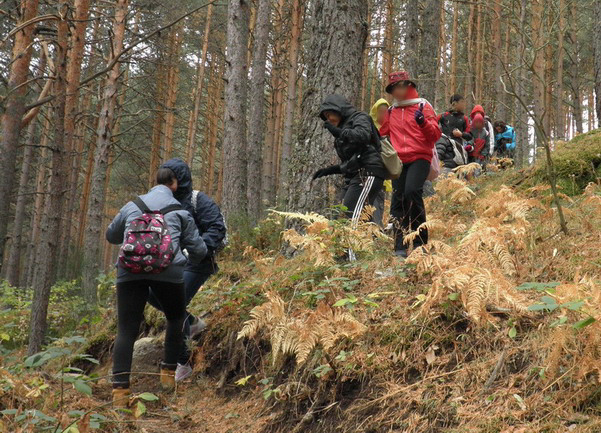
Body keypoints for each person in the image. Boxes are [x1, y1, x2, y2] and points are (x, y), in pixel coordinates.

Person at [106, 167, 207, 408]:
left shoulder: (132, 205)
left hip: (129, 272)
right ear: (173, 184)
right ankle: (167, 380)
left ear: (155, 182)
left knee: (126, 330)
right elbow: (200, 250)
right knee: (175, 318)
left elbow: (112, 236)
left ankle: (120, 393)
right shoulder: (180, 210)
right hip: (168, 272)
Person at [146, 158, 226, 382]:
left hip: (198, 262)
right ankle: (191, 323)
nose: (166, 186)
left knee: (174, 304)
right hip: (170, 262)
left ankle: (183, 362)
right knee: (151, 293)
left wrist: (197, 249)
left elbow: (216, 227)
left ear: (179, 180)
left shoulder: (198, 199)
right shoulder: (161, 202)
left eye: (170, 181)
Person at [380, 71, 441, 258]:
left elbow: (435, 135)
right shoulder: (392, 110)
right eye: (392, 89)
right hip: (399, 160)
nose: (396, 92)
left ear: (408, 86)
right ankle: (399, 246)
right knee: (397, 200)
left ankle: (420, 241)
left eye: (399, 86)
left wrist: (423, 123)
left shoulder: (423, 106)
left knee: (412, 192)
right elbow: (383, 132)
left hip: (420, 157)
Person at [313, 94, 386, 228]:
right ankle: (370, 247)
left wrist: (339, 132)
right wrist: (331, 170)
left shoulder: (360, 117)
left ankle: (348, 249)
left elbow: (363, 136)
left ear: (338, 109)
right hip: (356, 176)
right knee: (342, 217)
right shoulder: (343, 127)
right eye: (326, 116)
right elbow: (354, 160)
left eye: (330, 114)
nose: (328, 119)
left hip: (368, 173)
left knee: (349, 219)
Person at [370, 98, 393, 227]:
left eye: (386, 112)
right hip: (371, 171)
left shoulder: (391, 128)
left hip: (386, 172)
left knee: (380, 201)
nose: (383, 115)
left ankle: (377, 228)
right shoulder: (368, 127)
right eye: (381, 111)